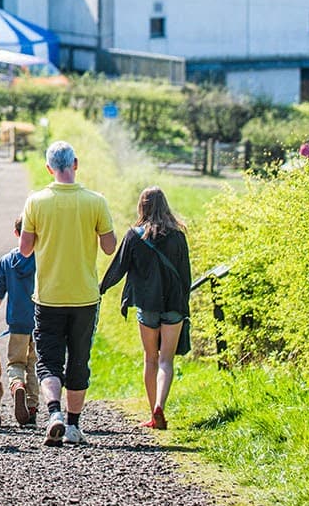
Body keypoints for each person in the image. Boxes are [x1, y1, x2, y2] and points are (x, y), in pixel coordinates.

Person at [21, 140, 116, 447]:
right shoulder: (96, 202)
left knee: (48, 361)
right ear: (76, 163)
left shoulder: (35, 202)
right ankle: (74, 427)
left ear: (49, 168)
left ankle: (53, 414)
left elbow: (24, 249)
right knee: (79, 360)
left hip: (48, 295)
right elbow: (109, 246)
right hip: (85, 296)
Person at [101, 187, 191, 430]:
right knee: (166, 361)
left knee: (150, 359)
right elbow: (186, 277)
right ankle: (161, 404)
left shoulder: (134, 235)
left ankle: (153, 414)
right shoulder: (178, 237)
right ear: (165, 206)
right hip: (174, 306)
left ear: (142, 207)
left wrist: (99, 290)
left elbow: (117, 269)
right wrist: (185, 306)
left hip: (147, 306)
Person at [0, 217, 40, 426]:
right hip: (40, 322)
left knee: (16, 363)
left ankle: (17, 386)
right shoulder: (42, 258)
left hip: (17, 323)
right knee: (34, 364)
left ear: (16, 234)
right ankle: (32, 408)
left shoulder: (6, 261)